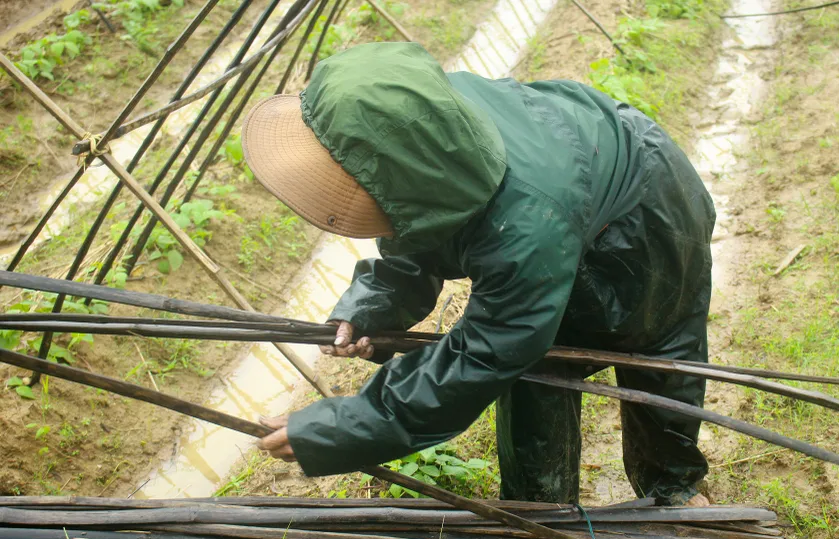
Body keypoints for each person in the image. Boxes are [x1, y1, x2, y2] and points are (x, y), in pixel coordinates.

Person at [244, 42, 716, 506]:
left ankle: (672, 492)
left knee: (653, 353)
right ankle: (541, 514)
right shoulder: (417, 134)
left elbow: (485, 356)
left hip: (645, 213)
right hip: (557, 196)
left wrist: (342, 428)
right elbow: (415, 228)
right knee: (536, 373)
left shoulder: (524, 228)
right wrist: (371, 309)